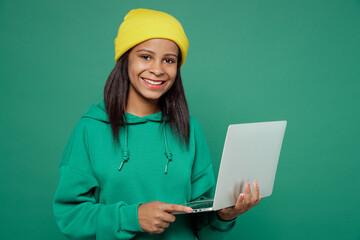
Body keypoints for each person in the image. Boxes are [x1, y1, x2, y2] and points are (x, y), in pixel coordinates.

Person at [53, 8, 262, 240]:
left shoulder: (189, 130)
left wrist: (225, 215)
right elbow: (70, 217)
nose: (157, 70)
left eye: (169, 60)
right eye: (145, 56)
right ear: (125, 59)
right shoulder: (90, 129)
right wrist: (133, 217)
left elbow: (202, 222)